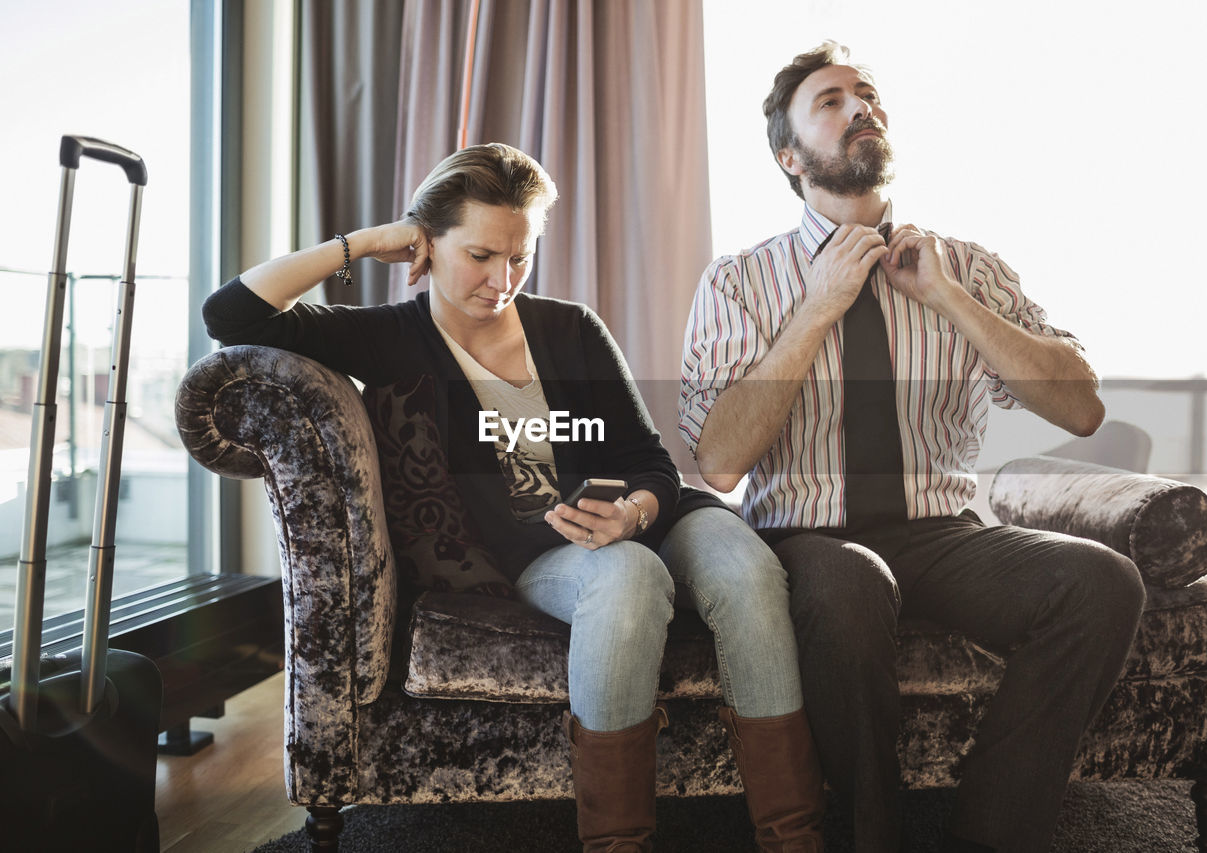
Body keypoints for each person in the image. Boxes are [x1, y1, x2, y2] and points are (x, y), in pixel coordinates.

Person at [203, 142, 824, 853]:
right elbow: (231, 314)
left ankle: (794, 840)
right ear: (427, 243)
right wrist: (366, 242)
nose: (503, 280)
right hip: (547, 554)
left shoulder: (571, 328)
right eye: (480, 255)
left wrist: (635, 512)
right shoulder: (389, 338)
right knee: (629, 576)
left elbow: (650, 460)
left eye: (521, 257)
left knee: (749, 571)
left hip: (656, 516)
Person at [679, 42, 1146, 853]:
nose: (862, 107)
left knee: (1102, 580)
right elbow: (719, 462)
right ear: (790, 157)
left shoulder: (964, 266)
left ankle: (992, 835)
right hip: (810, 539)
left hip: (946, 534)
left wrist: (949, 299)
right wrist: (818, 307)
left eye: (868, 95)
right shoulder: (737, 283)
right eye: (831, 100)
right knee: (848, 585)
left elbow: (1081, 407)